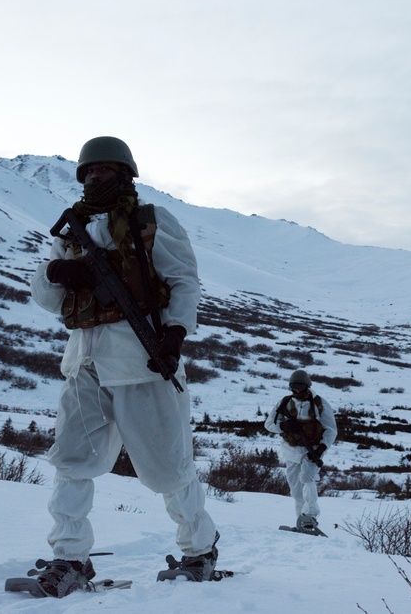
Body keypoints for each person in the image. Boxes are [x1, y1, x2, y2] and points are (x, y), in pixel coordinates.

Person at [29, 136, 218, 595]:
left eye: (103, 170)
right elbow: (48, 299)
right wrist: (54, 274)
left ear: (125, 174)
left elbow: (183, 281)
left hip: (142, 360)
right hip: (84, 361)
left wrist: (175, 334)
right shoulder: (67, 232)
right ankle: (69, 558)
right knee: (73, 462)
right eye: (88, 172)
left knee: (167, 469)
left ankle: (199, 549)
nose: (94, 177)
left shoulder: (151, 221)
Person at [264, 369, 337, 534]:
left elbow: (331, 429)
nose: (297, 390)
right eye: (293, 387)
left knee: (307, 478)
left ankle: (310, 517)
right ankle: (301, 522)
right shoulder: (284, 403)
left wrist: (321, 449)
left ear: (307, 386)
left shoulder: (320, 404)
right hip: (290, 451)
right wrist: (284, 426)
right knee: (296, 489)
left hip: (312, 450)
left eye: (300, 386)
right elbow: (268, 425)